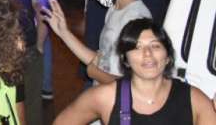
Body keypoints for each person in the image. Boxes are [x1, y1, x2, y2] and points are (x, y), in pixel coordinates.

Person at [52, 18, 216, 124]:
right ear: (125, 60)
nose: (147, 54)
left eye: (155, 46)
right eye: (137, 48)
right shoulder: (105, 97)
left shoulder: (194, 100)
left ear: (168, 57)